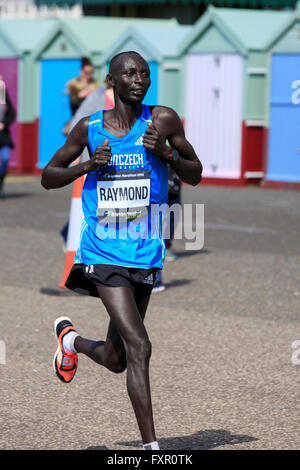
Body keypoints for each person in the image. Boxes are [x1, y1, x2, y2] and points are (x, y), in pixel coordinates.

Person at [41, 51, 202, 450]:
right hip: (102, 251)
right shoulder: (90, 128)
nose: (139, 79)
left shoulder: (162, 120)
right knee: (140, 346)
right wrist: (86, 167)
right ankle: (152, 449)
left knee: (117, 359)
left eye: (145, 73)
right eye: (129, 73)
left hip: (145, 251)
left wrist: (166, 153)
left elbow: (195, 173)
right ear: (111, 81)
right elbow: (48, 177)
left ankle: (70, 341)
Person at [152, 166, 182, 293]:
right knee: (152, 232)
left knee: (173, 217)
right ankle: (155, 281)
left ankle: (155, 280)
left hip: (172, 185)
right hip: (156, 186)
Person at [0, 81, 16, 199]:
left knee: (5, 160)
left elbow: (12, 113)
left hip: (3, 136)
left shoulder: (2, 94)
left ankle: (0, 185)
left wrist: (3, 124)